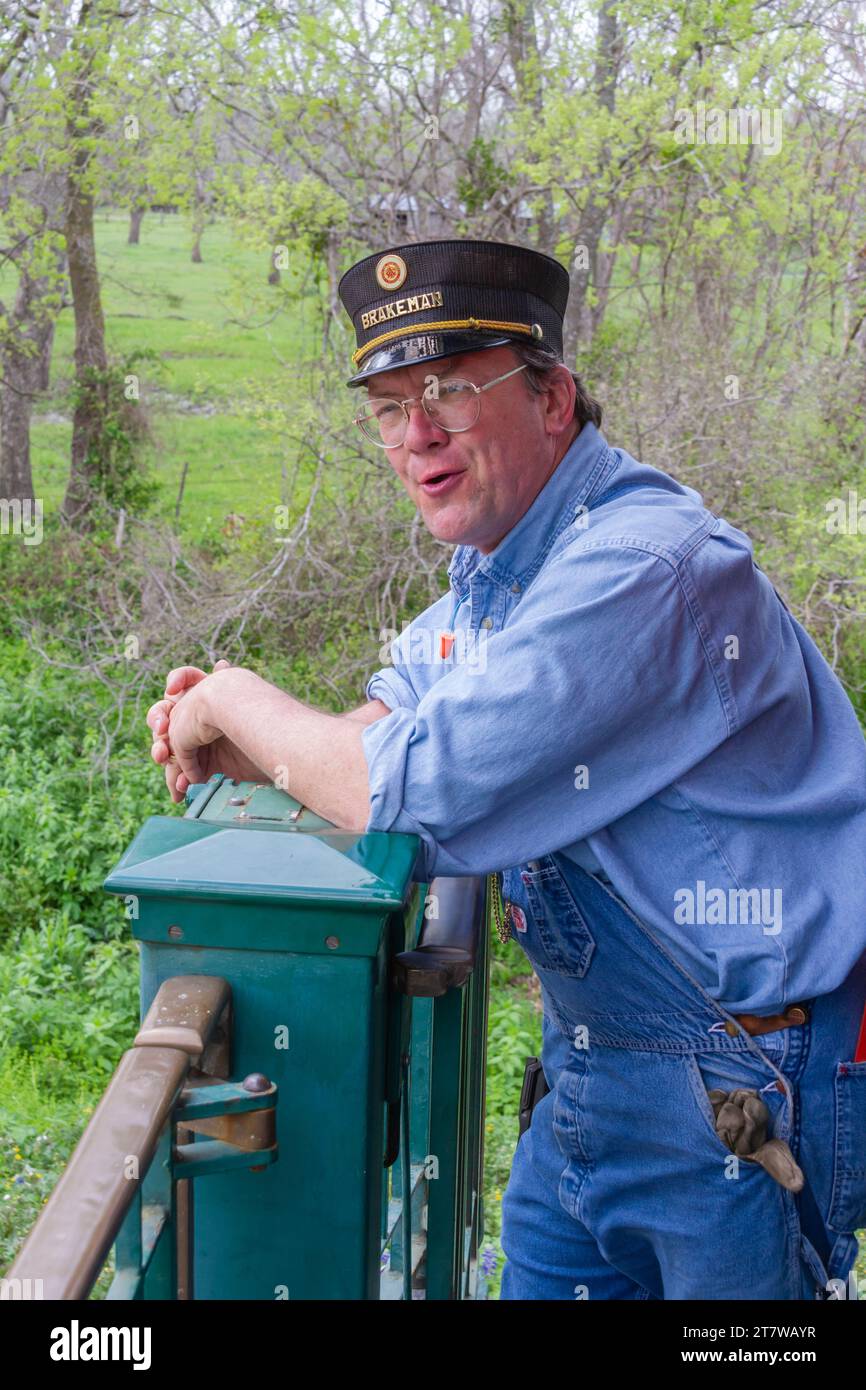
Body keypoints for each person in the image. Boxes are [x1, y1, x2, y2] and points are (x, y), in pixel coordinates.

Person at [147, 238, 866, 1301]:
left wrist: (234, 697)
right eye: (386, 407)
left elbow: (416, 789)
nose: (413, 433)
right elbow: (398, 708)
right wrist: (249, 737)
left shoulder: (640, 569)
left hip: (741, 1084)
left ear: (552, 398)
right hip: (590, 1068)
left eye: (444, 389)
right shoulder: (505, 568)